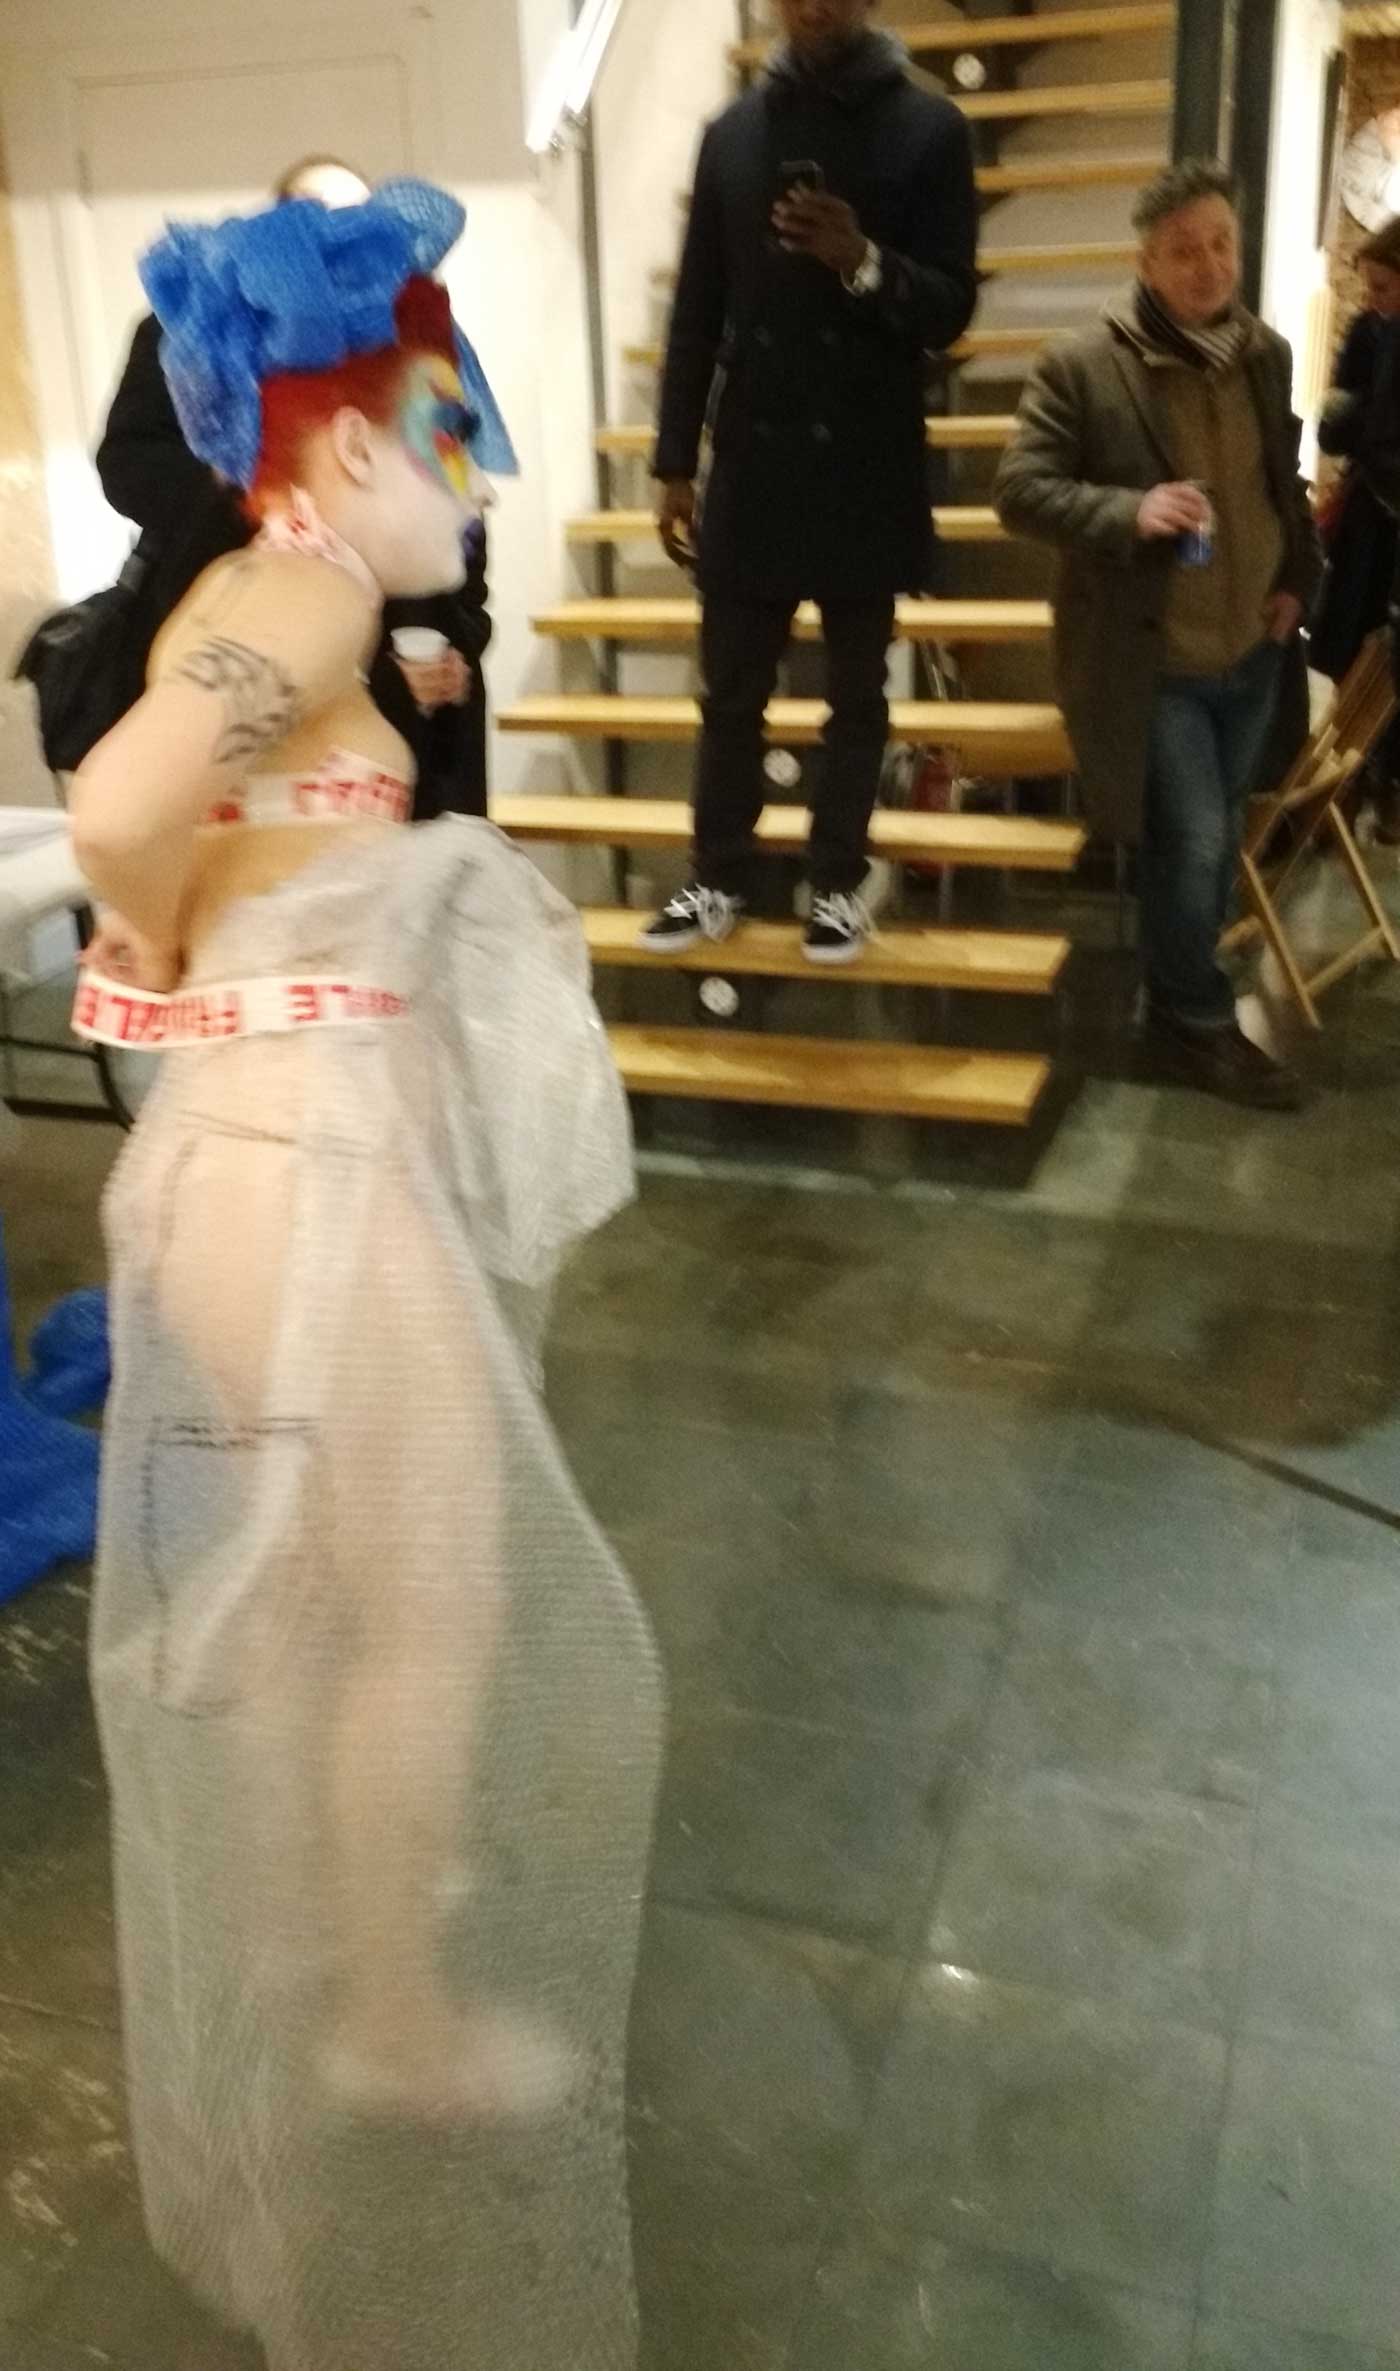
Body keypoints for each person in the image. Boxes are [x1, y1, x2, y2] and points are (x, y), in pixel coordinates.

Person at [70, 180, 661, 2371]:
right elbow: (122, 800)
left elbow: (180, 819)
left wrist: (174, 925)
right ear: (338, 443)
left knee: (343, 1591)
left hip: (278, 1148)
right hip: (294, 1162)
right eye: (451, 422)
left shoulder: (276, 595)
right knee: (435, 1593)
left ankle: (338, 1935)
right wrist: (150, 920)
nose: (477, 467)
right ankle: (388, 2015)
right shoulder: (304, 592)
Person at [641, 0, 978, 965]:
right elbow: (696, 306)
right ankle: (718, 873)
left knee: (857, 697)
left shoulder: (930, 128)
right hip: (754, 454)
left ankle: (835, 884)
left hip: (866, 454)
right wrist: (674, 460)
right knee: (731, 692)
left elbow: (951, 307)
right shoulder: (732, 135)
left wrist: (862, 261)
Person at [995, 159, 1321, 1109]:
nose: (1209, 264)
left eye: (1222, 243)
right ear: (1145, 262)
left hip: (1251, 648)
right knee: (1197, 837)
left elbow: (1281, 482)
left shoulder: (1263, 352)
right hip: (1154, 661)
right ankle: (1194, 1019)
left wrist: (1297, 580)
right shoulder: (1082, 365)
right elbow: (1019, 490)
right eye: (1185, 250)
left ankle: (1176, 988)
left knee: (1213, 842)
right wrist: (1128, 510)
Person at [96, 154, 494, 817]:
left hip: (400, 674)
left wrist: (458, 640)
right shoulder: (194, 334)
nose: (346, 242)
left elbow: (446, 481)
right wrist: (264, 481)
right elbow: (129, 465)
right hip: (251, 602)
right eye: (320, 222)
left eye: (361, 224)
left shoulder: (407, 340)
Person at [1310, 214, 1400, 842]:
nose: (1370, 299)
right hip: (1371, 509)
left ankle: (1390, 790)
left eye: (1383, 287)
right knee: (1342, 645)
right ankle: (1331, 789)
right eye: (1367, 287)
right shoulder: (1370, 331)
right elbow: (1335, 427)